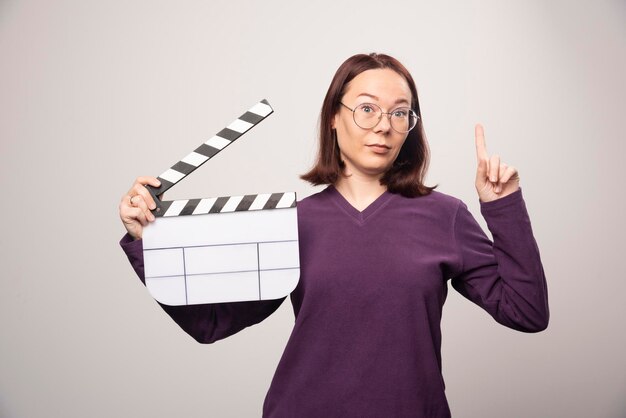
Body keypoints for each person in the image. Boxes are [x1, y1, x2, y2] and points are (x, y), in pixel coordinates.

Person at [119, 53, 549, 418]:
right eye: (367, 108)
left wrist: (502, 205)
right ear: (333, 118)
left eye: (400, 113)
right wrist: (145, 242)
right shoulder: (288, 222)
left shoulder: (445, 216)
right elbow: (210, 323)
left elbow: (526, 312)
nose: (383, 125)